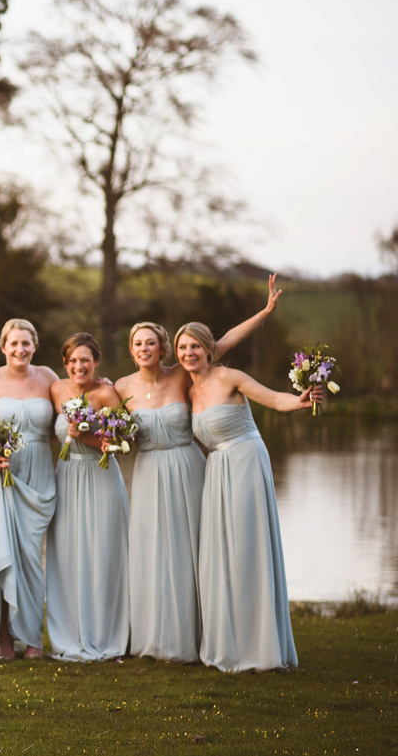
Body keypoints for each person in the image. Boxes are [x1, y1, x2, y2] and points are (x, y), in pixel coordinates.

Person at [114, 278, 281, 663]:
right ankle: (157, 637)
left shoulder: (182, 372)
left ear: (162, 348)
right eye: (137, 344)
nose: (144, 349)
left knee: (195, 551)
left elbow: (224, 341)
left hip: (190, 468)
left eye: (150, 343)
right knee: (154, 550)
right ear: (131, 349)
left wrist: (266, 312)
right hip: (148, 472)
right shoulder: (120, 387)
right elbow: (94, 412)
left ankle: (204, 634)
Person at [176, 322, 314, 672]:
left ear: (209, 349)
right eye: (182, 348)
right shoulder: (189, 391)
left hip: (246, 461)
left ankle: (259, 645)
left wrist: (298, 402)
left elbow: (272, 398)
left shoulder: (230, 377)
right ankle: (228, 640)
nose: (188, 354)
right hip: (217, 470)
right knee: (219, 552)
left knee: (246, 548)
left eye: (195, 347)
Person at [0, 318, 59, 660]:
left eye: (26, 343)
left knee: (33, 560)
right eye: (13, 343)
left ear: (34, 345)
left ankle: (33, 640)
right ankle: (5, 640)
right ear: (3, 346)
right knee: (0, 554)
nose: (20, 349)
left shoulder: (49, 377)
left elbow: (59, 423)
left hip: (37, 475)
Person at [46, 333, 129, 662]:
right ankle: (69, 632)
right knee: (67, 555)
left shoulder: (108, 393)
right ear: (64, 364)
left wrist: (86, 435)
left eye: (86, 360)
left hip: (101, 476)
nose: (79, 366)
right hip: (66, 477)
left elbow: (121, 445)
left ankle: (105, 633)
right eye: (73, 360)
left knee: (103, 552)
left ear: (96, 362)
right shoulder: (56, 390)